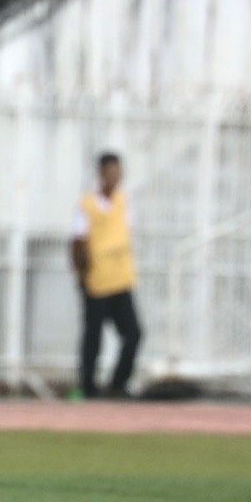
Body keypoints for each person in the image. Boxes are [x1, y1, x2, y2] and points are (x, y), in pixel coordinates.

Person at [70, 152, 142, 400]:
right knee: (93, 337)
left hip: (121, 279)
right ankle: (88, 386)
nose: (115, 176)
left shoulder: (125, 202)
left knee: (133, 333)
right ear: (102, 174)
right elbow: (78, 242)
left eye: (118, 171)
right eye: (111, 171)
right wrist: (81, 277)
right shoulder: (88, 204)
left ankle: (118, 384)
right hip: (97, 281)